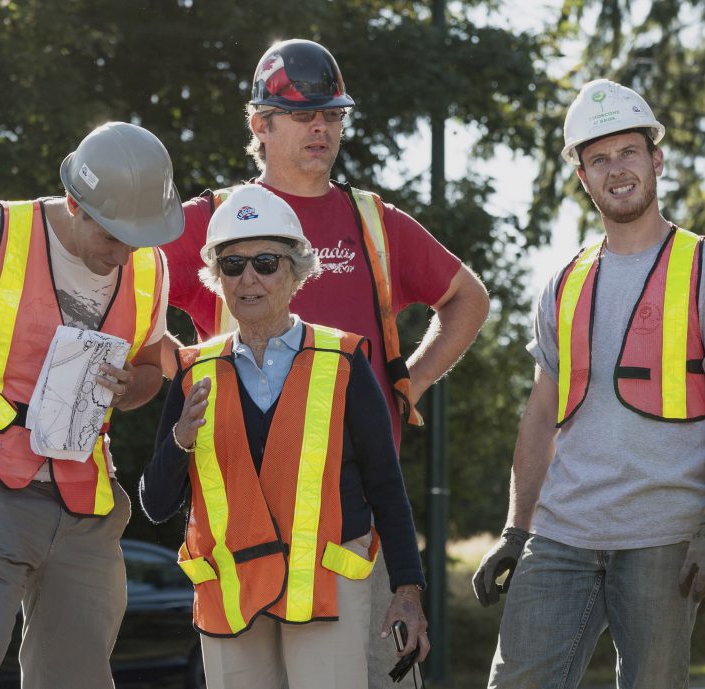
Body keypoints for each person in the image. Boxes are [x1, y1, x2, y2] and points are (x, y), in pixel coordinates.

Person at [161, 38, 489, 684]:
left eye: (332, 115)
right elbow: (131, 292)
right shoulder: (213, 221)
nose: (322, 128)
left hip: (355, 529)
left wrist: (410, 384)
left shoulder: (373, 222)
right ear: (260, 123)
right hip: (244, 530)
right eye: (305, 115)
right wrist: (163, 369)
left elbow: (467, 299)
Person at [474, 80, 705, 689]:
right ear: (583, 177)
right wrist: (517, 530)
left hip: (664, 538)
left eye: (627, 152)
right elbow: (540, 416)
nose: (616, 170)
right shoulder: (562, 282)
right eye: (599, 159)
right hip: (561, 534)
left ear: (657, 160)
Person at [0, 121, 183, 689]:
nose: (123, 254)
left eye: (135, 238)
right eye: (112, 237)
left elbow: (153, 368)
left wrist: (136, 387)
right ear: (76, 203)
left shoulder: (149, 266)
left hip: (88, 510)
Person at [140, 183, 429, 689]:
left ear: (296, 272)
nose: (249, 278)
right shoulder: (193, 371)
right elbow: (156, 505)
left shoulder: (345, 361)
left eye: (266, 263)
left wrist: (408, 590)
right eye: (232, 265)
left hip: (324, 593)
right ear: (217, 278)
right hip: (231, 601)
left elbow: (385, 483)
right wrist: (180, 441)